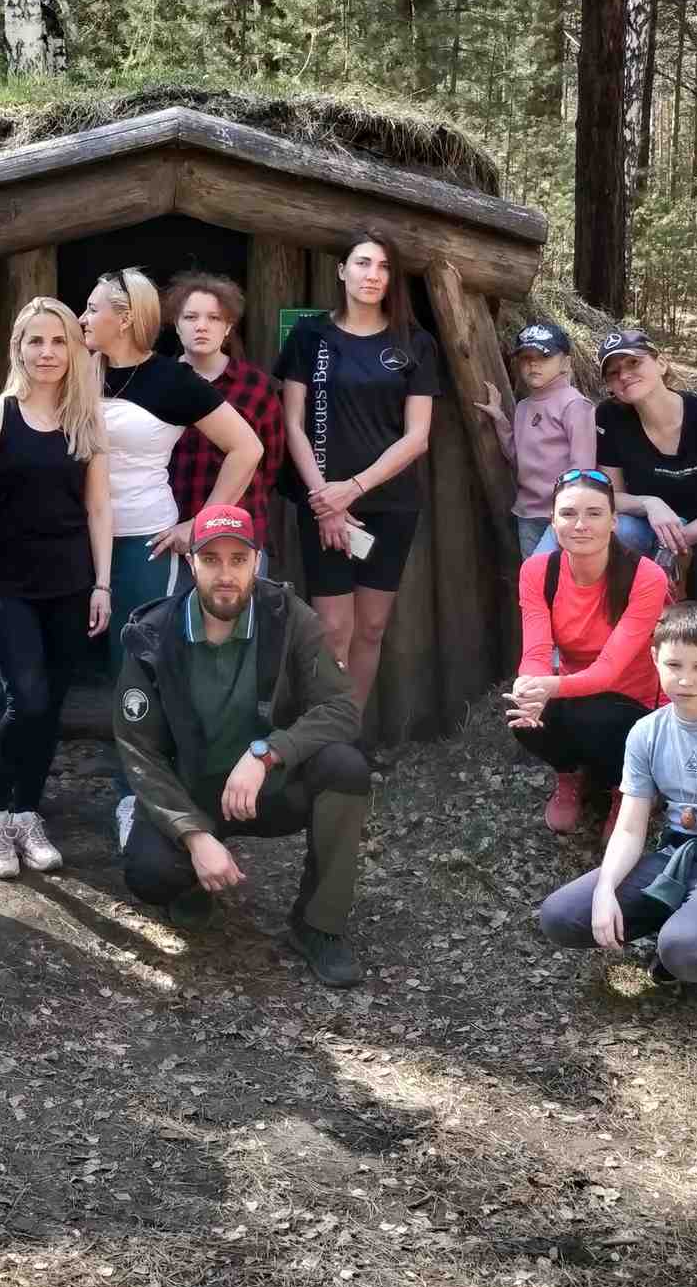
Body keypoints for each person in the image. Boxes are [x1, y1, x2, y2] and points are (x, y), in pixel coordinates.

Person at [115, 504, 373, 988]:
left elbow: (342, 708)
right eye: (211, 559)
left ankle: (318, 924)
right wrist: (193, 835)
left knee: (345, 767)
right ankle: (193, 883)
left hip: (268, 787)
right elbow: (139, 752)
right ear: (191, 563)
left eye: (238, 559)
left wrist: (269, 753)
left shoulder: (288, 616)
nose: (226, 574)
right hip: (193, 791)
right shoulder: (154, 633)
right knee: (149, 872)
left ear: (257, 561)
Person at [536, 602, 697, 1008]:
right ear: (654, 659)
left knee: (681, 950)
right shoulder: (646, 733)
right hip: (676, 858)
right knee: (560, 916)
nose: (685, 679)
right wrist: (606, 889)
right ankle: (685, 931)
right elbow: (630, 828)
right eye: (674, 665)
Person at [82, 267, 266, 850]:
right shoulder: (74, 369)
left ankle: (136, 798)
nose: (81, 319)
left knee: (134, 668)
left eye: (92, 308)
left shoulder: (169, 379)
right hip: (68, 537)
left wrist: (200, 524)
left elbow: (247, 447)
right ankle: (6, 788)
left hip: (143, 539)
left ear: (125, 318)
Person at [0, 297, 112, 879]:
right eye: (35, 341)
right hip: (8, 586)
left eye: (58, 341)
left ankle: (26, 813)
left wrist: (102, 584)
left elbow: (98, 508)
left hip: (71, 584)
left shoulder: (86, 421)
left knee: (50, 708)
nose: (47, 352)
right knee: (27, 699)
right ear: (18, 348)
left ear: (74, 350)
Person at [274, 232, 439, 722]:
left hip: (390, 505)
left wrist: (353, 488)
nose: (373, 275)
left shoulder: (415, 343)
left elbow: (417, 437)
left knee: (370, 628)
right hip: (322, 503)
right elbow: (292, 424)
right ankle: (320, 736)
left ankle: (347, 736)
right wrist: (326, 501)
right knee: (331, 630)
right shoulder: (310, 336)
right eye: (363, 263)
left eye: (384, 267)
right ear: (342, 270)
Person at [581, 328, 697, 689]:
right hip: (649, 527)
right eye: (613, 372)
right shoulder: (611, 417)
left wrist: (676, 541)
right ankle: (630, 654)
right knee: (621, 531)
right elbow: (611, 496)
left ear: (662, 363)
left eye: (634, 363)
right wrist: (650, 503)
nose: (624, 375)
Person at [506, 468, 672, 837]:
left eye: (594, 514)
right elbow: (536, 650)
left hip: (635, 702)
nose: (580, 525)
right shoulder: (537, 571)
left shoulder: (646, 577)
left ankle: (626, 789)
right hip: (577, 693)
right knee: (523, 712)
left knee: (596, 717)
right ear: (553, 521)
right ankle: (570, 775)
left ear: (614, 521)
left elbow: (609, 670)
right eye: (568, 514)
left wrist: (549, 687)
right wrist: (529, 686)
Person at [164, 272, 287, 546]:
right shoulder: (158, 381)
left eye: (214, 318)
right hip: (168, 530)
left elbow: (270, 464)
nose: (202, 326)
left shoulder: (257, 386)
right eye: (190, 317)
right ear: (176, 324)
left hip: (237, 531)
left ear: (228, 327)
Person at [474, 320, 596, 557]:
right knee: (533, 574)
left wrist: (568, 511)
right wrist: (499, 417)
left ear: (566, 363)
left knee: (557, 573)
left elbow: (582, 467)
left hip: (562, 513)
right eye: (525, 358)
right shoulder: (523, 406)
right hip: (527, 512)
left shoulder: (574, 404)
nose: (533, 364)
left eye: (544, 356)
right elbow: (516, 455)